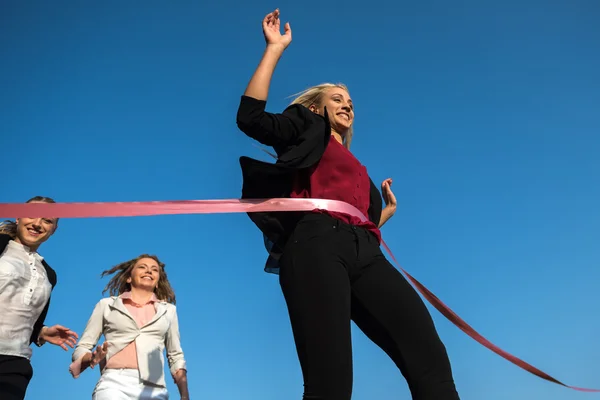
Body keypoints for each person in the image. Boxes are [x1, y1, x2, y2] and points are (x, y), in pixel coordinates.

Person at [235, 9, 460, 400]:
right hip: (316, 246)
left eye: (351, 101)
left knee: (430, 358)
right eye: (337, 99)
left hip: (366, 253)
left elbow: (357, 220)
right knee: (332, 381)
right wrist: (274, 50)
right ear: (318, 108)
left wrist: (381, 216)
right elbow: (249, 118)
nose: (347, 105)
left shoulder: (358, 167)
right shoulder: (308, 128)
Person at [69, 254, 189, 400]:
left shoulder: (168, 311)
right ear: (129, 278)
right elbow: (83, 346)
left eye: (154, 270)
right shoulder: (107, 305)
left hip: (155, 388)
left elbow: (175, 355)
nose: (149, 271)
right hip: (114, 383)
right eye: (142, 267)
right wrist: (91, 358)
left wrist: (184, 394)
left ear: (158, 282)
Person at [0, 195, 79, 400]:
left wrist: (41, 332)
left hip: (14, 363)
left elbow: (25, 314)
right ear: (17, 217)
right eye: (31, 216)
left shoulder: (48, 274)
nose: (37, 224)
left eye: (47, 220)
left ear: (53, 230)